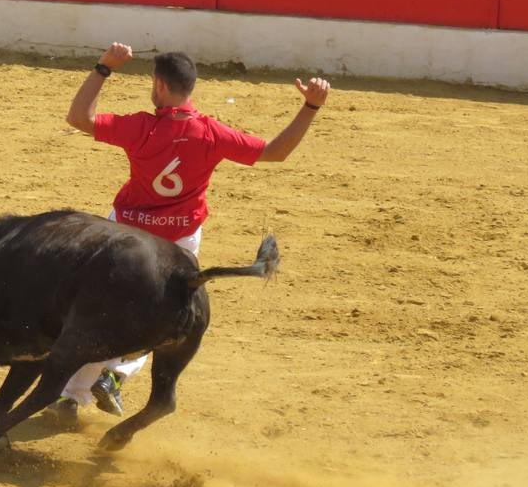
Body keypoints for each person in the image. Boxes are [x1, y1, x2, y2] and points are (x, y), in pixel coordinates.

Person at [50, 41, 331, 423]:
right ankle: (117, 374)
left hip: (124, 233)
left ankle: (71, 396)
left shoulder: (141, 127)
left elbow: (79, 117)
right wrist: (310, 107)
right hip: (178, 242)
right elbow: (277, 151)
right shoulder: (212, 133)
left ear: (160, 86)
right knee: (166, 316)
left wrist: (104, 67)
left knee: (97, 309)